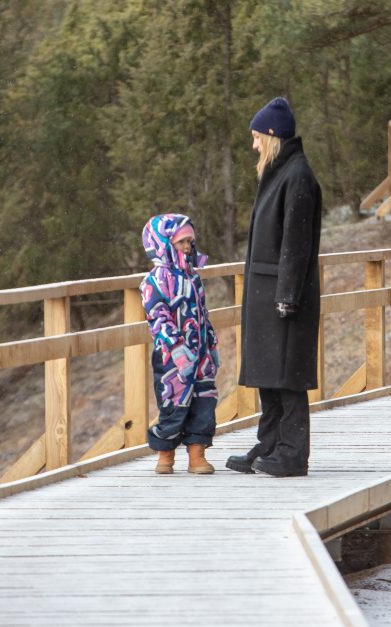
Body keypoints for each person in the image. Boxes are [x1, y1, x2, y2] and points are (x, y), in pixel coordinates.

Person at [226, 97, 323, 478]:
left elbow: (296, 245)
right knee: (269, 375)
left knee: (287, 376)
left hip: (284, 296)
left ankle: (292, 453)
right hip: (267, 292)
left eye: (256, 138)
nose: (253, 146)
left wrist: (286, 296)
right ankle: (269, 444)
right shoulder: (278, 173)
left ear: (272, 137)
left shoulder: (297, 176)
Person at [140, 213, 220, 475]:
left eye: (190, 242)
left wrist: (211, 342)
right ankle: (165, 455)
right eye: (181, 242)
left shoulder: (193, 277)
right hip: (171, 356)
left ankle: (197, 456)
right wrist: (175, 346)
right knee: (173, 403)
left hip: (200, 351)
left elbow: (202, 313)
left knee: (204, 401)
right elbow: (157, 316)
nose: (187, 247)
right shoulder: (155, 280)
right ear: (163, 244)